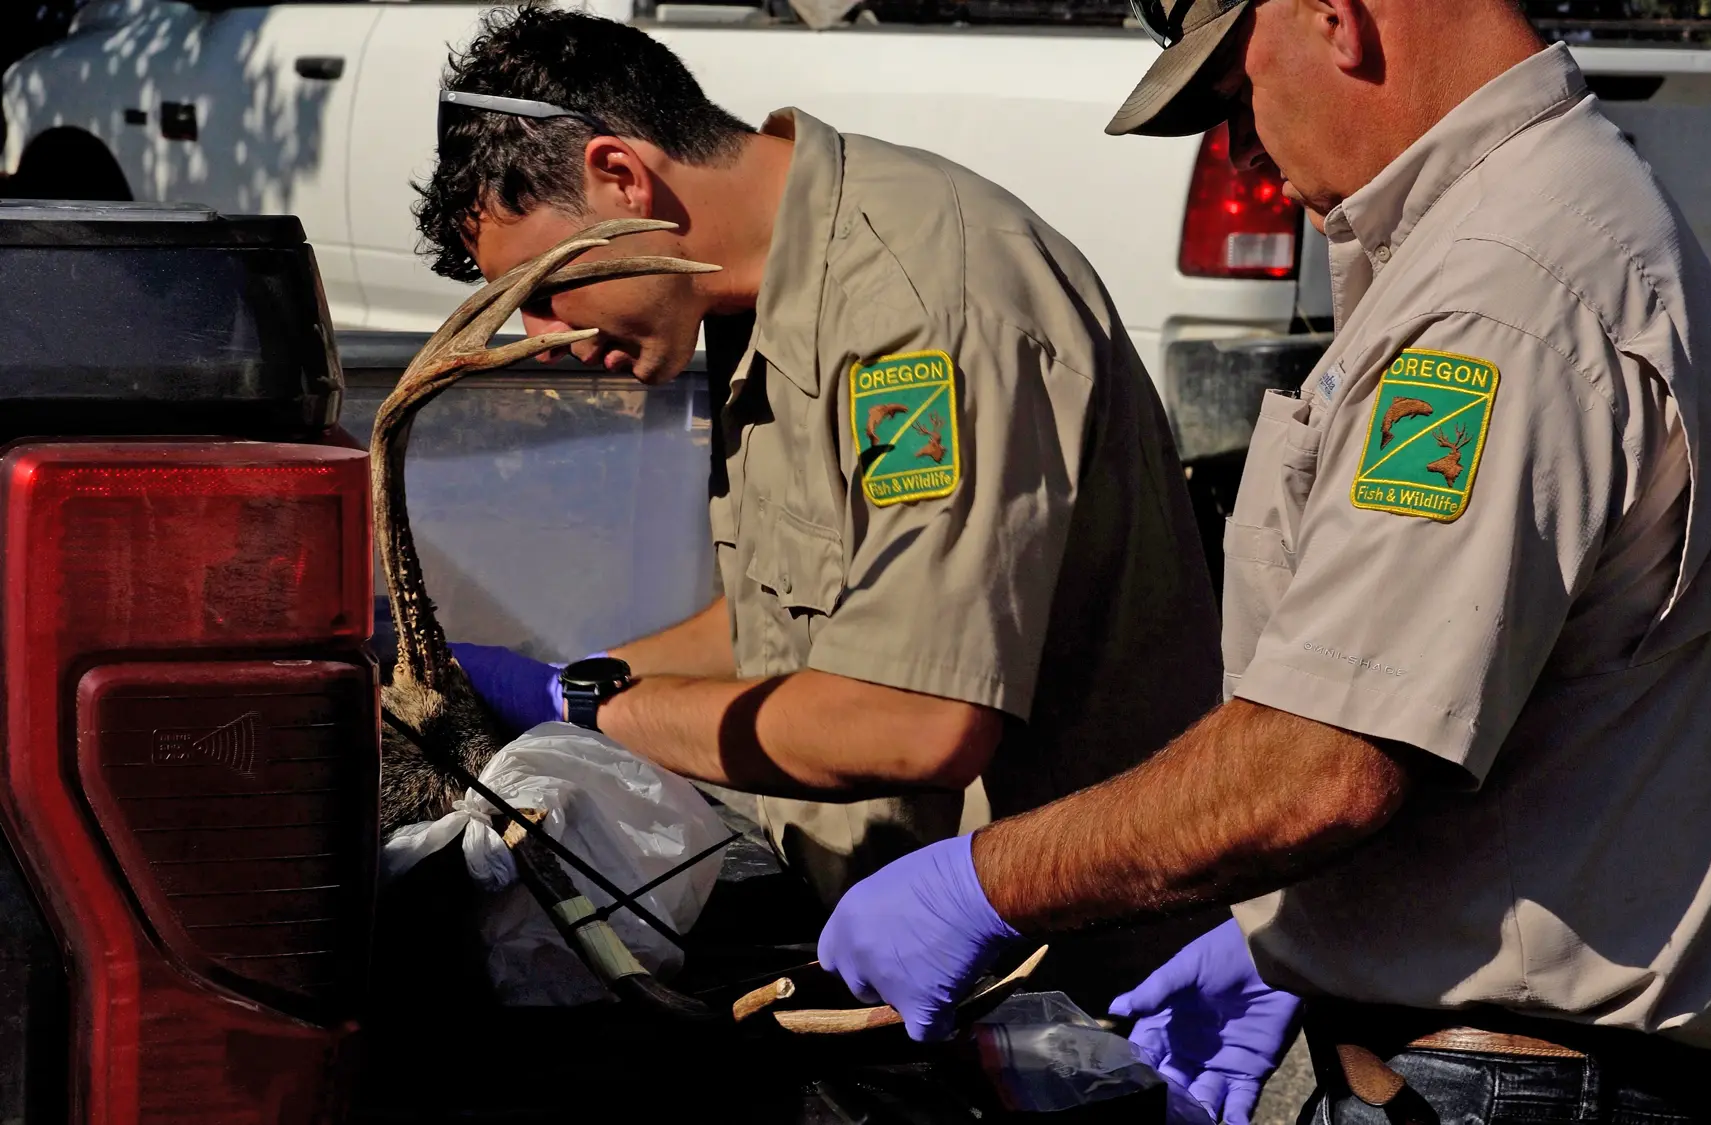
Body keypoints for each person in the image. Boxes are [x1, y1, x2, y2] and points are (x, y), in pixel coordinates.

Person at [814, 0, 1711, 1122]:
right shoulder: (1523, 223)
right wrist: (1293, 933)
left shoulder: (1501, 287)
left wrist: (979, 886)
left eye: (1233, 98)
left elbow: (1323, 764)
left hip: (1514, 1085)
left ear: (1334, 17)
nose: (1238, 149)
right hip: (1502, 1065)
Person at [416, 6, 1224, 1004]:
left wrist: (587, 708)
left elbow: (914, 720)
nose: (546, 337)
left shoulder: (911, 306)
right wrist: (544, 677)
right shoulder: (754, 291)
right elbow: (793, 620)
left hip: (1060, 985)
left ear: (619, 177)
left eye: (544, 290)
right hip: (908, 951)